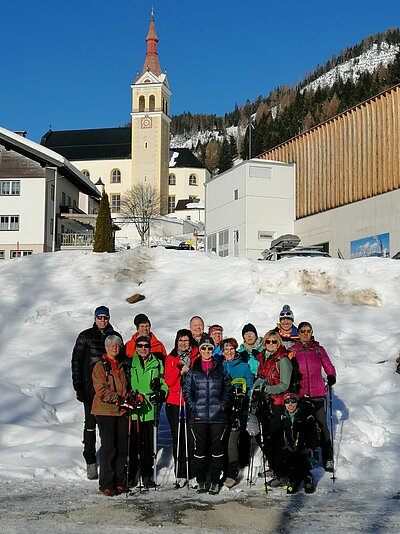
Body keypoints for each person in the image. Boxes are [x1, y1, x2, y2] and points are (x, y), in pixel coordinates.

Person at [71, 306, 123, 480]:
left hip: (111, 391)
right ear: (95, 318)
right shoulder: (85, 336)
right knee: (90, 425)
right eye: (99, 317)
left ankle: (110, 461)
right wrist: (78, 386)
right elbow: (76, 361)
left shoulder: (114, 336)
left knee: (108, 427)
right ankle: (91, 460)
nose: (102, 320)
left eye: (105, 317)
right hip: (90, 390)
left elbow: (121, 362)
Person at [184, 336, 232, 495]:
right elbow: (187, 391)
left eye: (210, 348)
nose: (206, 351)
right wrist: (194, 407)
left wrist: (223, 405)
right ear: (199, 350)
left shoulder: (220, 368)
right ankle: (201, 481)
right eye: (203, 348)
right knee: (200, 450)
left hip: (218, 417)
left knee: (217, 449)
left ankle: (214, 481)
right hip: (198, 417)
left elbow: (227, 388)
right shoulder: (193, 370)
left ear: (213, 350)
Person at [290, 321, 336, 472]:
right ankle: (309, 456)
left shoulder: (318, 349)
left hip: (318, 393)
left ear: (311, 333)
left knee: (322, 426)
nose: (305, 333)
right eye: (302, 331)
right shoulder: (293, 350)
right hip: (302, 394)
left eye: (308, 331)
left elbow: (328, 365)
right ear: (298, 333)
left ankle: (328, 458)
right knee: (304, 427)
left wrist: (331, 376)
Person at [91, 335, 131, 496]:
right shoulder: (100, 367)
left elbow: (126, 387)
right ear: (106, 348)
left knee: (122, 447)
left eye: (117, 345)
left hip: (121, 411)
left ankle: (120, 481)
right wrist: (118, 399)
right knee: (109, 447)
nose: (115, 348)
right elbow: (101, 390)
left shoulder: (122, 366)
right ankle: (106, 482)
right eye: (111, 345)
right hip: (105, 410)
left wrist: (130, 397)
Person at [129, 334, 168, 489]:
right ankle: (131, 474)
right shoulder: (130, 363)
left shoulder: (157, 363)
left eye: (146, 346)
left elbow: (164, 383)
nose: (143, 349)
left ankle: (147, 475)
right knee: (134, 445)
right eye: (140, 346)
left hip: (151, 409)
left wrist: (161, 393)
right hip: (135, 409)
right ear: (136, 348)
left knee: (148, 446)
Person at [255, 330, 292, 487]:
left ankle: (282, 474)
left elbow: (285, 384)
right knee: (266, 438)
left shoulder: (282, 360)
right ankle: (273, 467)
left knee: (277, 441)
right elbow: (261, 377)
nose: (271, 344)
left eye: (274, 341)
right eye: (268, 341)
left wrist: (267, 389)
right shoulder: (264, 358)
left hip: (277, 404)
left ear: (279, 343)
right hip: (265, 403)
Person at [164, 329, 198, 486]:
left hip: (190, 402)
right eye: (180, 340)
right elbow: (169, 382)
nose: (183, 343)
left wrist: (189, 371)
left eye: (186, 340)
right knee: (178, 438)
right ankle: (180, 473)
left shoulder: (195, 356)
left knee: (190, 438)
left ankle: (192, 473)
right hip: (174, 402)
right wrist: (178, 369)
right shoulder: (171, 358)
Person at [222, 338, 254, 488]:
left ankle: (231, 472)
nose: (228, 352)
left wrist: (243, 396)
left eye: (231, 349)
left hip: (238, 409)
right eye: (225, 349)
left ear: (235, 351)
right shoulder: (219, 366)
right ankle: (221, 469)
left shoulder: (243, 367)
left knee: (231, 441)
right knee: (221, 441)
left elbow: (250, 385)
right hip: (222, 410)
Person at [281, 393, 317, 494]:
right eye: (287, 402)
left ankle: (307, 478)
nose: (290, 405)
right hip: (290, 448)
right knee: (288, 461)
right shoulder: (283, 416)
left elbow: (312, 436)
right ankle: (293, 480)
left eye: (293, 402)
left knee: (301, 461)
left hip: (304, 448)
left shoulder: (305, 415)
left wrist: (311, 449)